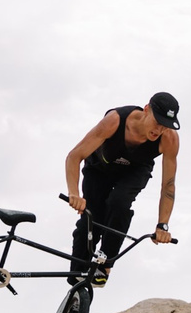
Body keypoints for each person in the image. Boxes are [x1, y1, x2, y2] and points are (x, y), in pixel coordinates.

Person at [64, 92, 179, 282]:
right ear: (146, 110)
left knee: (119, 202)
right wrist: (74, 193)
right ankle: (76, 279)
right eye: (157, 122)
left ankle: (105, 264)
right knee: (91, 220)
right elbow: (74, 156)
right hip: (99, 169)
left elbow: (168, 185)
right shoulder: (114, 121)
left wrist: (162, 225)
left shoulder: (169, 139)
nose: (159, 130)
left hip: (134, 171)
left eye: (165, 126)